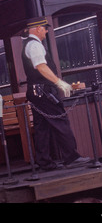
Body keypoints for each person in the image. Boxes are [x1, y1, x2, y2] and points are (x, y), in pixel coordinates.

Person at [22, 16, 91, 171]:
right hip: (44, 91)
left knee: (42, 127)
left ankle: (44, 162)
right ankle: (72, 157)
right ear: (38, 28)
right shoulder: (35, 46)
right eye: (45, 28)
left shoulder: (28, 44)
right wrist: (59, 83)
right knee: (61, 120)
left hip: (35, 92)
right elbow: (41, 67)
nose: (46, 31)